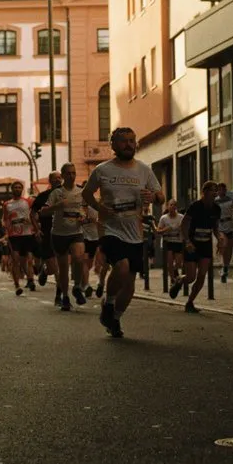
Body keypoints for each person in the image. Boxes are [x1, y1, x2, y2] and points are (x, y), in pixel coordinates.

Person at [82, 127, 165, 338]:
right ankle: (108, 304)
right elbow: (87, 194)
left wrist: (153, 197)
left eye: (132, 140)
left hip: (135, 232)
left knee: (129, 285)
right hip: (111, 229)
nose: (129, 144)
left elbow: (160, 196)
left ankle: (115, 319)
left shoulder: (144, 170)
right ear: (113, 145)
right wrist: (100, 209)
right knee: (121, 266)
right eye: (124, 141)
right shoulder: (102, 170)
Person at [42, 163, 88, 310]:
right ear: (62, 176)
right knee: (63, 268)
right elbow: (43, 212)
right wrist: (58, 206)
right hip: (59, 234)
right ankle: (65, 297)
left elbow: (85, 209)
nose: (71, 176)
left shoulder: (81, 191)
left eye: (73, 173)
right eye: (68, 173)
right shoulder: (56, 193)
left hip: (76, 232)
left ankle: (77, 287)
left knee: (79, 258)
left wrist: (83, 217)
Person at [173, 181, 225, 313]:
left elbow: (215, 227)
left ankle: (190, 302)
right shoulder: (195, 206)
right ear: (204, 192)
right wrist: (187, 241)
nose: (215, 193)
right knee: (191, 277)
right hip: (192, 244)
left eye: (216, 190)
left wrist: (219, 237)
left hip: (206, 244)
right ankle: (179, 280)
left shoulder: (216, 209)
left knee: (202, 275)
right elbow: (184, 224)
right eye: (212, 190)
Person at [1, 180, 38, 296]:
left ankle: (30, 280)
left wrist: (34, 225)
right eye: (15, 187)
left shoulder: (28, 201)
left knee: (29, 258)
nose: (17, 189)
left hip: (28, 233)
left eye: (19, 187)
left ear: (22, 189)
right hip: (14, 235)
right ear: (12, 189)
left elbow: (35, 215)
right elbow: (5, 219)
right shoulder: (7, 204)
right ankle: (17, 285)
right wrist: (6, 231)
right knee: (16, 260)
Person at [31, 172, 63, 299]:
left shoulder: (66, 194)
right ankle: (44, 270)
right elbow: (32, 213)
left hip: (63, 233)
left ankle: (59, 295)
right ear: (50, 181)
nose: (58, 180)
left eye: (60, 178)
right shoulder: (43, 196)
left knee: (60, 267)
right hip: (47, 234)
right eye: (55, 179)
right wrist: (37, 229)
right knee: (53, 268)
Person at [156, 200, 185, 287]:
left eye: (174, 205)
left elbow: (186, 228)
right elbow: (158, 231)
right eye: (171, 205)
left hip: (178, 241)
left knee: (179, 262)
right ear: (167, 206)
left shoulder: (181, 217)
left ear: (176, 207)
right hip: (167, 242)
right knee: (169, 261)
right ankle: (172, 280)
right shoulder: (163, 218)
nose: (173, 206)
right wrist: (165, 229)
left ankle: (175, 271)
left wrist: (182, 228)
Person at [214, 184, 233, 283]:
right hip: (220, 225)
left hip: (230, 225)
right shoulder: (215, 201)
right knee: (224, 243)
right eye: (219, 189)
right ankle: (222, 264)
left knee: (229, 248)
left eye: (223, 189)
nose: (221, 191)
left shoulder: (230, 200)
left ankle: (225, 267)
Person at [81, 202, 101, 297]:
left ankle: (83, 282)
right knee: (85, 262)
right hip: (83, 238)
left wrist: (93, 220)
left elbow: (100, 223)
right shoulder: (77, 209)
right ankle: (86, 285)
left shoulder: (94, 209)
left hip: (95, 238)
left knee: (90, 264)